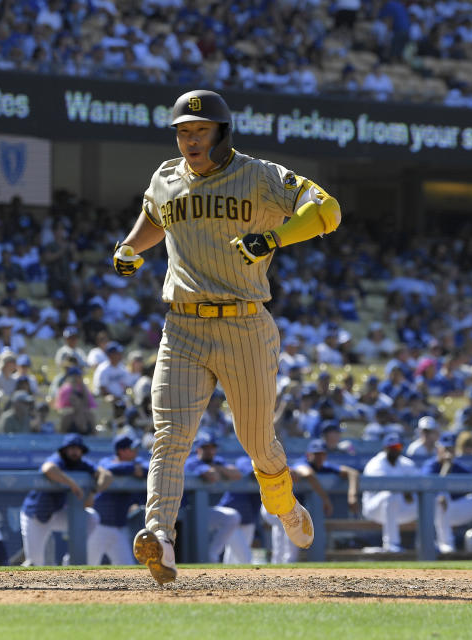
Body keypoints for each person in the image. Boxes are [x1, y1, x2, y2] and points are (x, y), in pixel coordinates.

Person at [112, 89, 340, 584]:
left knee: (257, 442)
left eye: (199, 131)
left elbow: (328, 210)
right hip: (183, 325)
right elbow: (157, 214)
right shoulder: (166, 176)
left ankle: (285, 507)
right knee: (170, 437)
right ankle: (160, 538)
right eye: (182, 131)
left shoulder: (258, 175)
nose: (190, 140)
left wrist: (275, 237)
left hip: (244, 324)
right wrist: (132, 245)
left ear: (221, 132)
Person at [19, 434, 111, 566]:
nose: (75, 452)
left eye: (78, 448)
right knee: (35, 563)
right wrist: (72, 484)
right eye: (71, 448)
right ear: (64, 450)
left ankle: (70, 561)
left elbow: (106, 475)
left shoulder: (81, 464)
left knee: (92, 517)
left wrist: (93, 493)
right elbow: (48, 469)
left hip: (56, 513)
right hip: (36, 516)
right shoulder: (59, 460)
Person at [265, 439, 360, 564]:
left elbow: (352, 473)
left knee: (284, 544)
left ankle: (277, 572)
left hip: (287, 507)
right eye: (316, 454)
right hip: (275, 503)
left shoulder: (324, 466)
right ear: (309, 455)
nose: (319, 457)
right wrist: (326, 500)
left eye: (322, 454)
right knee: (288, 544)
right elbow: (308, 474)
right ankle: (280, 571)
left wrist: (352, 494)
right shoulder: (302, 463)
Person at [422, 432, 472, 557]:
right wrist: (446, 467)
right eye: (446, 449)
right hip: (434, 513)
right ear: (438, 449)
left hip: (456, 509)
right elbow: (433, 488)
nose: (449, 453)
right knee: (441, 496)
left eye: (451, 449)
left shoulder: (459, 466)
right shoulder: (431, 466)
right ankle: (445, 543)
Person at [183, 431, 242, 562]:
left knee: (232, 517)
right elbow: (212, 476)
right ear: (198, 449)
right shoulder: (191, 462)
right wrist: (220, 470)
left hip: (205, 511)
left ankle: (212, 553)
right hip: (187, 513)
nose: (210, 451)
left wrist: (217, 468)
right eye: (206, 447)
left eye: (212, 447)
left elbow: (237, 474)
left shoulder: (217, 461)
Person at [88, 433, 146, 565]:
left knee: (127, 566)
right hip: (99, 527)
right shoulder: (106, 461)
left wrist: (133, 469)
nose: (136, 451)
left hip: (119, 527)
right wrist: (132, 469)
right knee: (87, 564)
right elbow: (109, 468)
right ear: (121, 451)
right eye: (132, 449)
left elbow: (149, 469)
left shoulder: (137, 462)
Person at [362, 434, 419, 552]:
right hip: (374, 509)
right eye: (391, 447)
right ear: (385, 448)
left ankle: (430, 544)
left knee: (430, 501)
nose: (394, 450)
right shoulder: (375, 464)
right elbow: (386, 485)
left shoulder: (405, 463)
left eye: (397, 447)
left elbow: (420, 481)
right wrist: (406, 490)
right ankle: (392, 544)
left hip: (400, 508)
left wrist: (409, 492)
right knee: (390, 495)